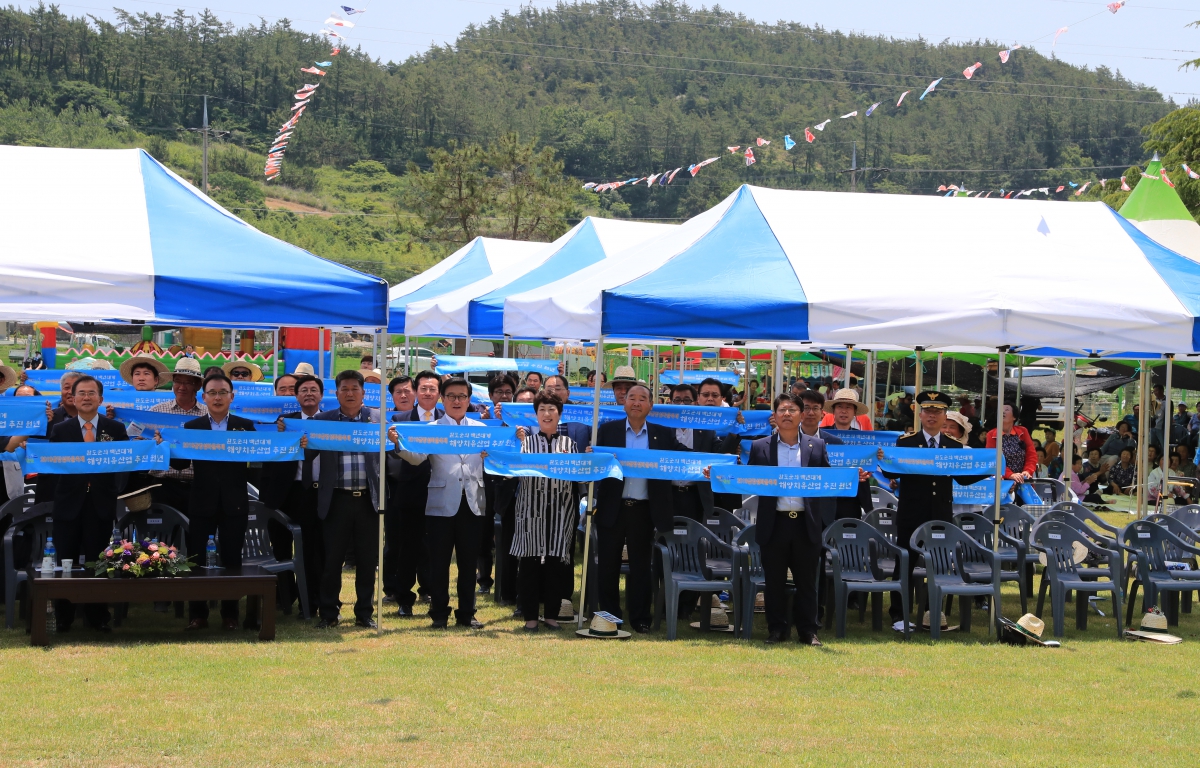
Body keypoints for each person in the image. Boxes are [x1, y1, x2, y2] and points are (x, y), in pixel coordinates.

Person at [879, 392, 987, 625]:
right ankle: (898, 613)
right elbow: (891, 471)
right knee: (905, 563)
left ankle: (932, 611)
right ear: (920, 415)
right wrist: (882, 459)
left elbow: (963, 478)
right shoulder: (906, 442)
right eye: (927, 411)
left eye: (937, 412)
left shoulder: (953, 445)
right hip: (911, 513)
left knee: (937, 564)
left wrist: (990, 467)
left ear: (945, 416)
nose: (932, 416)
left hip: (940, 513)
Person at [595, 382, 686, 633]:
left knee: (641, 566)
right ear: (624, 403)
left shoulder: (663, 434)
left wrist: (717, 458)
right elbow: (596, 463)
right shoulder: (608, 431)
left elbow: (685, 458)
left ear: (651, 405)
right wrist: (592, 454)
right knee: (608, 565)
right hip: (613, 507)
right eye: (632, 397)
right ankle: (608, 616)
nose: (636, 402)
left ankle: (640, 618)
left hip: (644, 509)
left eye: (642, 398)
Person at [398, 377, 488, 629]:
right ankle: (439, 614)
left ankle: (467, 613)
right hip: (440, 504)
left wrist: (516, 439)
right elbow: (416, 458)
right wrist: (398, 444)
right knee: (439, 563)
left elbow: (497, 458)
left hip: (473, 501)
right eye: (451, 396)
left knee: (469, 563)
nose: (456, 401)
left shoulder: (481, 429)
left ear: (469, 400)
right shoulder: (433, 428)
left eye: (462, 396)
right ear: (442, 399)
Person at [314, 369, 398, 629]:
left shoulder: (379, 419)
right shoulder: (323, 420)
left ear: (363, 393)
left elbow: (394, 455)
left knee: (367, 560)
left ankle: (364, 613)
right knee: (332, 560)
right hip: (336, 499)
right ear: (336, 393)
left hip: (368, 500)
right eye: (344, 389)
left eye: (355, 389)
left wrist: (394, 442)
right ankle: (329, 612)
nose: (349, 393)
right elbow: (306, 454)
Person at [174, 372, 258, 631]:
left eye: (223, 393)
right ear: (204, 397)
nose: (218, 397)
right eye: (212, 393)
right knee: (197, 559)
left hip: (235, 502)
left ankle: (230, 615)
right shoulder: (192, 427)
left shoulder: (245, 426)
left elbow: (258, 461)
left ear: (232, 396)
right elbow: (180, 464)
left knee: (232, 559)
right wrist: (167, 445)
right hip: (202, 502)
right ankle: (197, 615)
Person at [748, 392, 829, 646]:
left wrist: (853, 477)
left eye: (792, 410)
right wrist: (716, 474)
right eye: (782, 410)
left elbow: (828, 481)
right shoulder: (760, 446)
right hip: (775, 523)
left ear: (801, 415)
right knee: (774, 581)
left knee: (807, 581)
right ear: (774, 415)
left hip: (806, 523)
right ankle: (777, 629)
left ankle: (808, 631)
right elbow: (745, 478)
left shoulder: (817, 446)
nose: (787, 414)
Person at [48, 375, 128, 633]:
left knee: (99, 561)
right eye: (81, 393)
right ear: (73, 398)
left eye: (91, 393)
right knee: (65, 561)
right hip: (68, 505)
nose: (86, 397)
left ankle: (98, 616)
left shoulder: (115, 429)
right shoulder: (61, 430)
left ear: (100, 399)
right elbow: (51, 466)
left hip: (101, 504)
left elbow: (127, 463)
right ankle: (64, 616)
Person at [510, 392, 579, 631]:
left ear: (559, 414)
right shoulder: (525, 443)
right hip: (530, 510)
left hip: (561, 511)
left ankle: (551, 615)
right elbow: (509, 469)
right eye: (542, 410)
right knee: (528, 565)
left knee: (556, 565)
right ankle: (530, 616)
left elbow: (579, 476)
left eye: (551, 409)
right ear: (536, 414)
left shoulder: (570, 445)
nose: (547, 414)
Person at [259, 374, 324, 618]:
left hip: (317, 492)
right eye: (303, 390)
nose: (309, 394)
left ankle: (312, 601)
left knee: (312, 550)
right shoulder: (284, 423)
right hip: (286, 493)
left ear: (321, 395)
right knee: (281, 549)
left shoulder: (330, 422)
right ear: (296, 396)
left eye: (313, 389)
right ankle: (284, 597)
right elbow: (270, 461)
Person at [384, 370, 442, 614]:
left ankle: (430, 590)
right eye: (423, 388)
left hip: (440, 491)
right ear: (416, 392)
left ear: (439, 393)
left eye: (432, 389)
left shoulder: (447, 420)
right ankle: (404, 600)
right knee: (407, 548)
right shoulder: (400, 419)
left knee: (435, 548)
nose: (428, 393)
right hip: (409, 492)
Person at [148, 358, 207, 515]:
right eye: (178, 381)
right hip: (163, 486)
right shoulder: (156, 412)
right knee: (162, 530)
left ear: (198, 385)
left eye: (188, 382)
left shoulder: (208, 415)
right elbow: (143, 445)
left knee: (196, 529)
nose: (181, 387)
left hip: (198, 486)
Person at [476, 373, 517, 594]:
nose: (504, 396)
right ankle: (484, 579)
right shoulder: (481, 420)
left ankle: (507, 579)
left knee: (509, 531)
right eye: (499, 392)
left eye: (508, 392)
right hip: (485, 479)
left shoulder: (520, 420)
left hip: (510, 481)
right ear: (491, 395)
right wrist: (485, 423)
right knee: (483, 532)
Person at [698, 377, 747, 514]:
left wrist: (735, 430)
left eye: (715, 395)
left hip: (723, 489)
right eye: (706, 395)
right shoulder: (686, 422)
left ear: (722, 399)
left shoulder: (733, 419)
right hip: (696, 490)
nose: (710, 399)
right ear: (698, 398)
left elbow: (723, 451)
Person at [985, 404, 1038, 488]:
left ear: (1014, 417)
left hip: (1024, 481)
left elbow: (1031, 455)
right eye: (1000, 410)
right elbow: (992, 460)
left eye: (1006, 409)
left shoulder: (1023, 431)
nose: (1002, 412)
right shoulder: (991, 435)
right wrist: (1010, 475)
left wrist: (1027, 471)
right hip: (1003, 483)